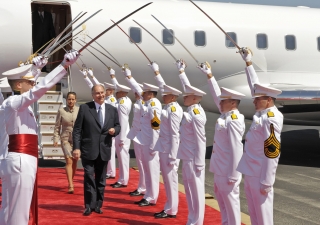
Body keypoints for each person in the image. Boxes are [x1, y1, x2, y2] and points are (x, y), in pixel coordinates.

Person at [0, 51, 79, 225]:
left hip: (19, 160)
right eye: (29, 81)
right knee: (18, 213)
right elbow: (37, 90)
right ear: (19, 85)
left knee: (9, 209)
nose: (33, 82)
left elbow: (31, 88)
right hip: (21, 161)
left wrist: (36, 68)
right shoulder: (13, 104)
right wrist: (63, 66)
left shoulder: (15, 103)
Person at [236, 47, 283, 225]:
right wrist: (248, 63)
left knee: (263, 216)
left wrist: (267, 180)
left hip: (260, 174)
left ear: (269, 100)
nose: (254, 101)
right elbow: (254, 85)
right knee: (254, 213)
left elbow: (273, 151)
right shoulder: (263, 114)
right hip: (251, 170)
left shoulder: (271, 118)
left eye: (258, 99)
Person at [198, 61, 245, 224]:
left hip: (228, 170)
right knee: (223, 202)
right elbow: (216, 94)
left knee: (231, 203)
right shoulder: (226, 115)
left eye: (224, 101)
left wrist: (234, 173)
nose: (220, 103)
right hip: (220, 168)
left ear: (233, 103)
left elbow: (237, 148)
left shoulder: (234, 119)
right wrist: (209, 76)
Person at [72, 84, 121, 216]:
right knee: (89, 177)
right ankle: (89, 205)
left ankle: (98, 204)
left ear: (105, 93)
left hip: (104, 149)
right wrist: (76, 147)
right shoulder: (85, 108)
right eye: (97, 93)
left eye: (102, 92)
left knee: (100, 180)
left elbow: (118, 125)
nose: (100, 95)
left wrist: (114, 130)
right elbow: (77, 130)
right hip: (88, 149)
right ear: (93, 95)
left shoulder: (112, 109)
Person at [148, 62, 183, 219]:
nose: (163, 95)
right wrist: (157, 73)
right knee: (168, 182)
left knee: (171, 182)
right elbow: (162, 87)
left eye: (167, 94)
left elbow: (175, 134)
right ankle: (169, 207)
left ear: (173, 97)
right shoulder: (169, 107)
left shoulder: (174, 110)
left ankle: (172, 209)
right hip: (164, 147)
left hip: (170, 150)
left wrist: (173, 156)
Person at [124, 66, 162, 207]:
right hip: (145, 141)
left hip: (150, 143)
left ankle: (152, 197)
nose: (141, 95)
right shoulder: (149, 103)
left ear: (150, 94)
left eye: (144, 93)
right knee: (147, 170)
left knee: (152, 172)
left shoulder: (154, 105)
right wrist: (128, 76)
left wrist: (153, 145)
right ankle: (148, 194)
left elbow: (156, 127)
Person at [176, 59, 207, 225]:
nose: (184, 98)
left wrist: (200, 163)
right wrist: (182, 73)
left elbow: (201, 139)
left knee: (196, 191)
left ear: (195, 98)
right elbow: (187, 89)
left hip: (194, 159)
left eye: (187, 96)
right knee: (189, 191)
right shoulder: (191, 109)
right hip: (187, 156)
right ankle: (192, 220)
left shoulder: (196, 113)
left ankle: (198, 221)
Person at [80, 68, 117, 179]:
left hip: (107, 135)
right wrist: (88, 77)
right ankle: (110, 172)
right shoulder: (95, 101)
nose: (102, 94)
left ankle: (111, 172)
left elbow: (116, 122)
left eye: (106, 91)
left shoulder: (112, 103)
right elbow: (94, 88)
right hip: (96, 139)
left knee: (109, 156)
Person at [109, 68, 132, 188]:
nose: (115, 93)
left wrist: (121, 138)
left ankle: (123, 180)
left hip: (122, 134)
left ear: (122, 93)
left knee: (123, 158)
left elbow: (123, 120)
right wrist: (113, 76)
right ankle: (122, 178)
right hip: (121, 133)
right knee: (122, 158)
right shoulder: (124, 100)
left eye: (117, 92)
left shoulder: (122, 103)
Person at [53, 91, 79, 194]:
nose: (71, 101)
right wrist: (56, 138)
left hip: (77, 139)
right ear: (66, 100)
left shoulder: (79, 110)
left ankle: (70, 180)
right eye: (69, 99)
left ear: (75, 100)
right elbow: (57, 127)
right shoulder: (61, 111)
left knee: (75, 161)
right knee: (69, 161)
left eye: (73, 99)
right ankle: (71, 185)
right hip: (65, 139)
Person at [125, 79, 146, 197]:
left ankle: (144, 187)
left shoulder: (144, 103)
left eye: (137, 92)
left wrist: (129, 77)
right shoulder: (138, 102)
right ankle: (142, 186)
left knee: (143, 164)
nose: (135, 93)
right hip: (137, 136)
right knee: (140, 163)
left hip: (142, 137)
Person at [32, 4, 55, 72]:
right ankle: (35, 69)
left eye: (42, 6)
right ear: (37, 7)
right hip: (36, 39)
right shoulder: (33, 14)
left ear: (44, 7)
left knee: (44, 55)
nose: (41, 8)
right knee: (36, 54)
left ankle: (43, 69)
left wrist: (53, 37)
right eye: (39, 6)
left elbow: (51, 27)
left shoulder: (48, 15)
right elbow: (32, 27)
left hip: (46, 39)